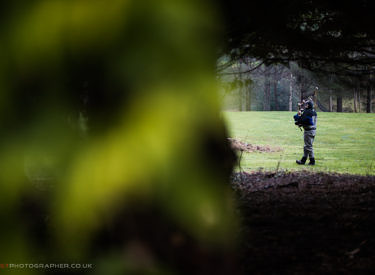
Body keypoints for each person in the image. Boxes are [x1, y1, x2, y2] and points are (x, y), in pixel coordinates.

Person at [294, 101, 317, 165]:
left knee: (308, 147)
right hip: (313, 131)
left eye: (306, 105)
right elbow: (309, 121)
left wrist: (298, 118)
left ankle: (312, 161)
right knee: (306, 146)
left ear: (308, 105)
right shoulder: (313, 112)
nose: (305, 106)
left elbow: (302, 120)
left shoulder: (307, 112)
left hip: (308, 131)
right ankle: (303, 160)